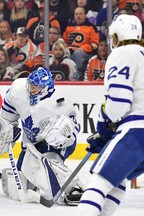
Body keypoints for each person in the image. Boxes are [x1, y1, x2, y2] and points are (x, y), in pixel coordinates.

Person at [77, 14, 144, 215]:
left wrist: (104, 125)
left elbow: (119, 104)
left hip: (135, 132)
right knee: (116, 180)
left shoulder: (123, 53)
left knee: (98, 181)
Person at [0, 67, 84, 206]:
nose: (30, 89)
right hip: (30, 143)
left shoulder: (61, 104)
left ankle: (74, 189)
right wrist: (6, 129)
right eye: (30, 85)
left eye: (35, 87)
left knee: (48, 164)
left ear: (45, 88)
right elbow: (9, 110)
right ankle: (14, 176)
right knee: (21, 188)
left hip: (54, 144)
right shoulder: (18, 89)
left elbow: (73, 129)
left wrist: (61, 135)